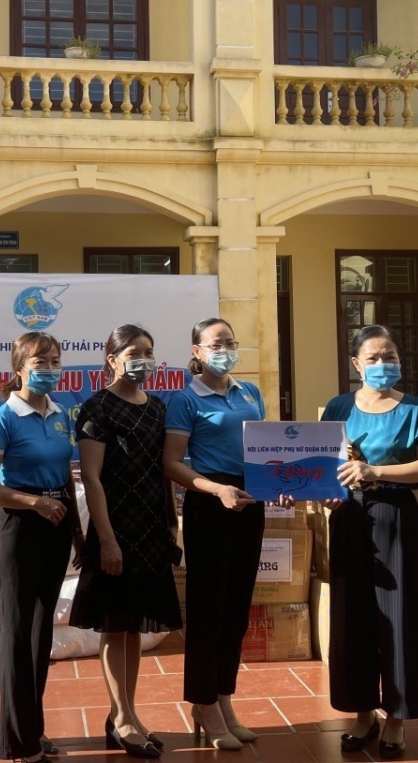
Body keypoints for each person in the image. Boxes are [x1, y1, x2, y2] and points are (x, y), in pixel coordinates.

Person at [322, 324, 418, 760]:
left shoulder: (413, 409)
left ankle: (397, 716)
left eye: (389, 356)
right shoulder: (337, 407)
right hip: (349, 518)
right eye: (372, 358)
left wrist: (375, 473)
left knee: (400, 616)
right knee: (352, 617)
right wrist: (326, 497)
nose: (382, 364)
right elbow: (322, 465)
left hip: (394, 515)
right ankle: (362, 712)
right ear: (355, 364)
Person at [69, 324, 183, 759]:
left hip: (151, 531)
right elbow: (92, 480)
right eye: (133, 352)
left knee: (134, 628)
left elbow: (162, 472)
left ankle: (129, 714)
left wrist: (171, 525)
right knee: (115, 626)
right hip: (115, 532)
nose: (142, 359)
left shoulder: (157, 408)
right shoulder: (96, 408)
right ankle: (119, 717)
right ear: (112, 358)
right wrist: (107, 540)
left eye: (149, 352)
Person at [0, 332, 82, 763]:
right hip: (19, 529)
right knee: (17, 636)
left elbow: (67, 479)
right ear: (19, 367)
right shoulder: (3, 418)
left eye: (55, 361)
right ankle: (16, 742)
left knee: (40, 636)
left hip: (56, 528)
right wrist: (33, 502)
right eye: (40, 362)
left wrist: (77, 533)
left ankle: (32, 732)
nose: (49, 369)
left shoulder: (60, 416)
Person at [161, 317, 266, 752]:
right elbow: (171, 462)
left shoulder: (250, 393)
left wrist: (278, 485)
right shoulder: (184, 400)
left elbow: (264, 450)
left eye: (230, 342)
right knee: (208, 610)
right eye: (216, 343)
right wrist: (215, 488)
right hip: (210, 503)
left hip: (248, 502)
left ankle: (224, 699)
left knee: (237, 610)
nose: (225, 349)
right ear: (198, 352)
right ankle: (203, 702)